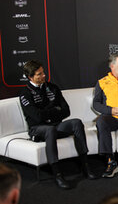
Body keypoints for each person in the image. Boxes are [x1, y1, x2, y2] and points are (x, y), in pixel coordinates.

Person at [19, 60, 96, 190]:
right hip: (37, 129)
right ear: (30, 77)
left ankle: (86, 166)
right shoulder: (25, 94)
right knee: (49, 130)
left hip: (56, 126)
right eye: (39, 74)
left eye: (43, 72)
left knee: (76, 122)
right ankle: (58, 175)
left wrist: (47, 112)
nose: (44, 75)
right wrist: (55, 110)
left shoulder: (53, 87)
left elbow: (66, 111)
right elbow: (36, 117)